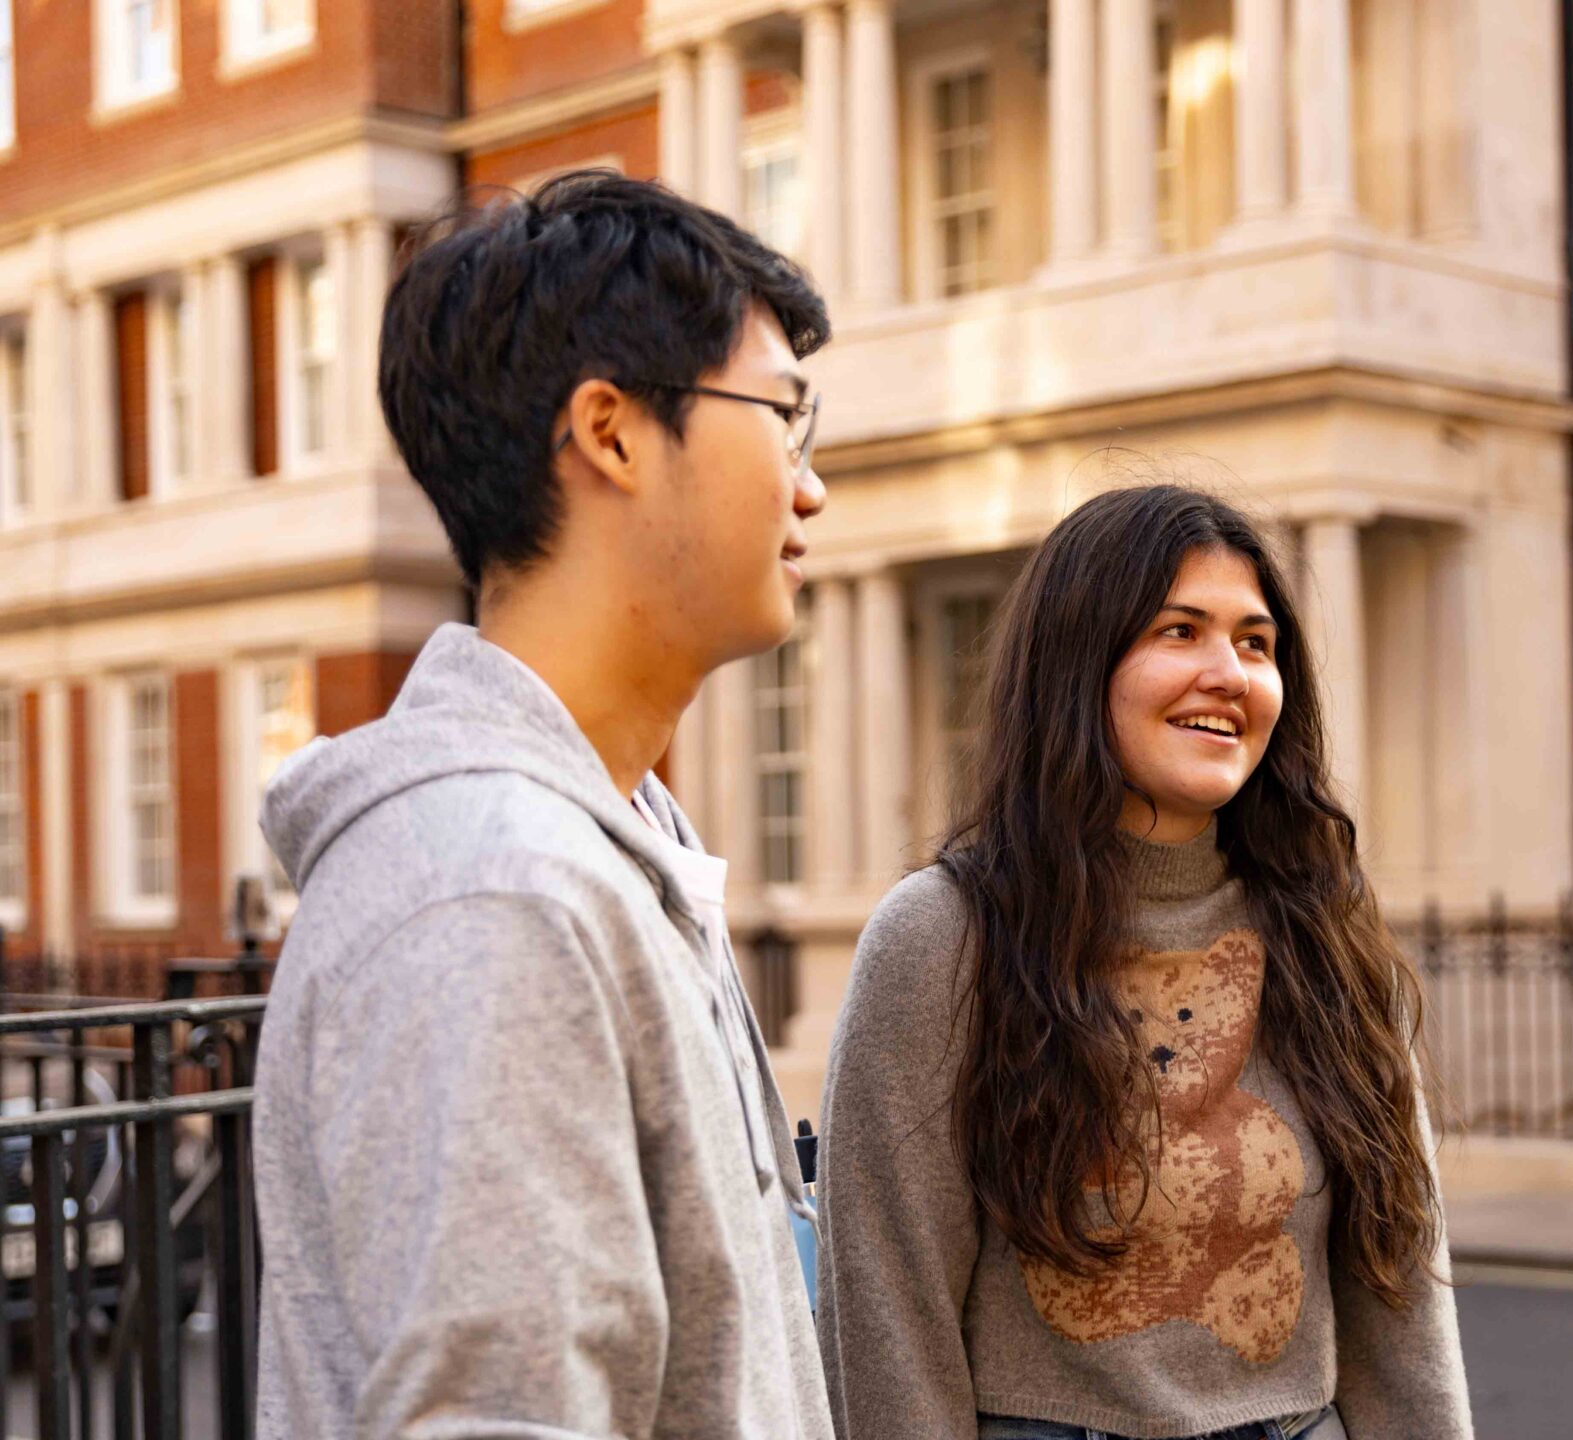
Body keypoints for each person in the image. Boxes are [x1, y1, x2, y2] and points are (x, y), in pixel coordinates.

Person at [252, 171, 836, 1437]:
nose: (810, 485)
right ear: (612, 431)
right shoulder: (494, 889)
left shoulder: (605, 843)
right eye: (781, 418)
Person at [815, 483, 1472, 1440]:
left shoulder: (1325, 929)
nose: (1230, 674)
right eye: (1180, 631)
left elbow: (1401, 1295)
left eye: (1256, 643)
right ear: (1079, 665)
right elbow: (888, 1318)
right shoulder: (945, 937)